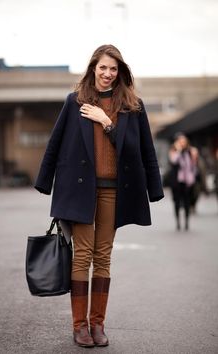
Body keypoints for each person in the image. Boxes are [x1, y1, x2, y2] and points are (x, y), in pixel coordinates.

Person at [35, 44, 164, 348]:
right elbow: (54, 144)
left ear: (120, 72)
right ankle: (80, 327)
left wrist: (106, 123)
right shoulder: (75, 102)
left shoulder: (132, 106)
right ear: (93, 67)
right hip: (80, 191)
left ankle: (98, 325)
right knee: (82, 254)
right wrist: (45, 182)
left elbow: (141, 151)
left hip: (113, 192)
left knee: (102, 256)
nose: (107, 74)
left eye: (113, 69)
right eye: (103, 67)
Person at [168, 133, 198, 230]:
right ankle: (178, 222)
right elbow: (174, 161)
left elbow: (193, 166)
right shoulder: (174, 151)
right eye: (180, 141)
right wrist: (179, 150)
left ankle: (186, 222)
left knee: (187, 202)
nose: (182, 143)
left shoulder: (190, 152)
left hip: (187, 182)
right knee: (176, 202)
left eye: (184, 141)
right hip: (177, 182)